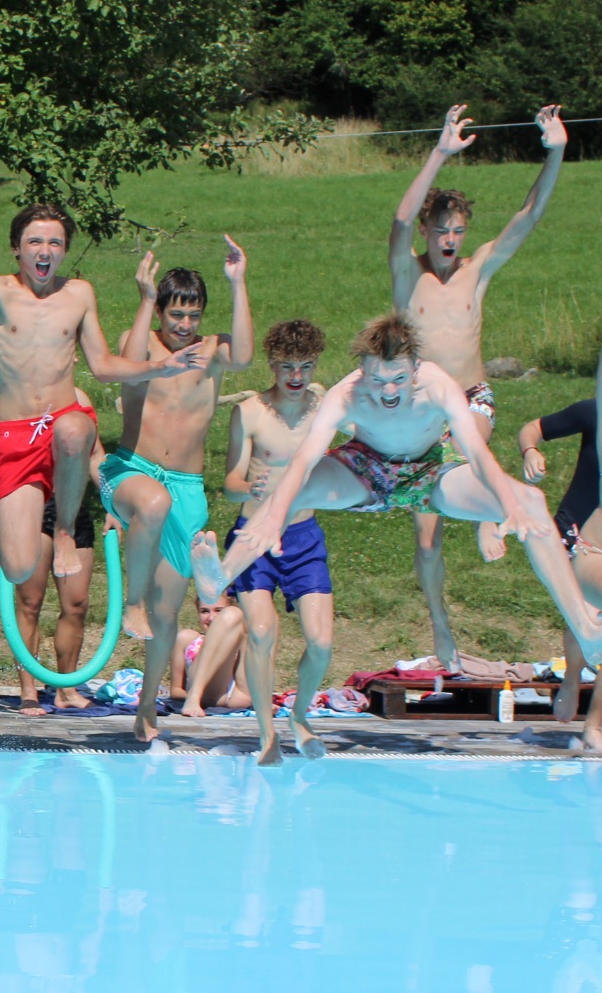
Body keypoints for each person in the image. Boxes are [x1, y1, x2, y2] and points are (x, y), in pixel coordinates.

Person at [196, 312, 602, 755]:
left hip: (432, 470)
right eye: (377, 380)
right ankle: (221, 578)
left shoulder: (439, 385)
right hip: (366, 469)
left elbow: (477, 453)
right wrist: (276, 516)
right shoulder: (345, 394)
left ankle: (585, 629)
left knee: (532, 502)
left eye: (398, 379)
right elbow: (304, 461)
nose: (388, 391)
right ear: (362, 370)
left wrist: (508, 503)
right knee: (288, 491)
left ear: (415, 368)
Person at [0, 195, 210, 591]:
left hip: (62, 421)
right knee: (17, 568)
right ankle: (35, 533)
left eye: (55, 243)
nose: (45, 251)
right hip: (17, 432)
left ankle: (64, 530)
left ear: (64, 250)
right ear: (16, 248)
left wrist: (160, 366)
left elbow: (103, 366)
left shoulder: (79, 294)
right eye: (34, 242)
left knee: (73, 428)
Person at [391, 103, 566, 665]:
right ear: (427, 231)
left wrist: (556, 151)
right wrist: (439, 153)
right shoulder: (407, 273)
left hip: (471, 399)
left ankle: (492, 510)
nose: (449, 239)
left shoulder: (478, 270)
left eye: (458, 231)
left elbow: (529, 215)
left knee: (471, 439)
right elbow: (399, 220)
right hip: (422, 414)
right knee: (426, 541)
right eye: (441, 230)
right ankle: (441, 626)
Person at [99, 239, 252, 743]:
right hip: (133, 470)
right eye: (175, 314)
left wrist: (237, 283)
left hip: (186, 489)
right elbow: (125, 364)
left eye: (193, 315)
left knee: (167, 614)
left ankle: (148, 704)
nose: (184, 324)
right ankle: (132, 602)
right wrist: (145, 299)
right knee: (152, 503)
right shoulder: (142, 343)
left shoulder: (211, 352)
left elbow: (245, 355)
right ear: (161, 311)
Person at [222, 319, 334, 763]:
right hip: (254, 537)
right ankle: (267, 733)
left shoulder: (324, 406)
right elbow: (230, 482)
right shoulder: (249, 413)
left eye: (305, 366)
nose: (296, 376)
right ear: (272, 364)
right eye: (287, 366)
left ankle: (299, 717)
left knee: (321, 643)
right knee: (262, 632)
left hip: (303, 537)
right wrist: (248, 487)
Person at [0, 387, 102, 714]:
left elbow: (96, 455)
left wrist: (112, 503)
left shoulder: (80, 400)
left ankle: (66, 688)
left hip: (71, 505)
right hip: (30, 504)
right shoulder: (9, 402)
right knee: (30, 602)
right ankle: (28, 690)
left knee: (77, 604)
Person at [514, 341, 602, 750]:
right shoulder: (592, 412)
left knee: (591, 617)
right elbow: (530, 427)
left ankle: (591, 719)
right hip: (576, 532)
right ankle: (573, 683)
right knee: (584, 611)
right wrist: (530, 451)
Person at [171, 596, 251, 716]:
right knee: (234, 614)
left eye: (219, 611)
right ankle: (194, 695)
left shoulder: (239, 634)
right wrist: (188, 696)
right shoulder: (187, 639)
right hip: (209, 694)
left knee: (245, 621)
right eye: (204, 611)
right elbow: (175, 690)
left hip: (238, 695)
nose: (211, 618)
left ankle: (260, 701)